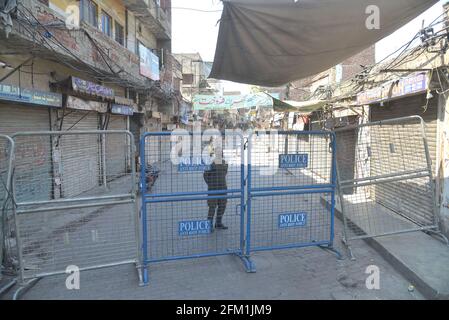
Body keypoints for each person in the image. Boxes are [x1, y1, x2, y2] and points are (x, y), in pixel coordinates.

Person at [203, 145, 228, 231]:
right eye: (218, 153)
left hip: (223, 188)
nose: (220, 154)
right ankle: (209, 225)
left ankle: (218, 223)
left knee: (222, 206)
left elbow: (224, 173)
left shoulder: (225, 163)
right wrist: (210, 184)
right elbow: (205, 175)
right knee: (212, 207)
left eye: (221, 152)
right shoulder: (211, 163)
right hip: (213, 189)